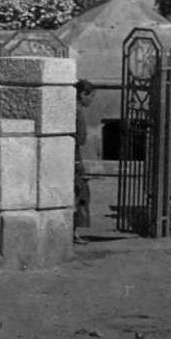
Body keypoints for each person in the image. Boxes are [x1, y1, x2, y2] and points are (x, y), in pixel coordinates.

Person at [74, 79, 96, 244]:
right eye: (91, 96)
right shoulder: (77, 112)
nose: (92, 100)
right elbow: (80, 139)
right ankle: (73, 232)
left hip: (75, 156)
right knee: (79, 194)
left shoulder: (77, 110)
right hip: (74, 157)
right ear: (83, 94)